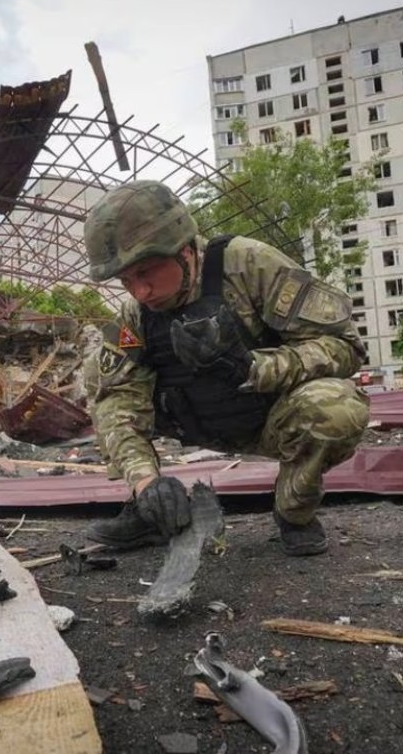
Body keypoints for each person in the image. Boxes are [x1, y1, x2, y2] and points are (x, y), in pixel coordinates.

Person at [82, 180, 370, 557]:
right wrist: (145, 481)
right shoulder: (134, 317)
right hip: (189, 420)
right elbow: (116, 400)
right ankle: (149, 511)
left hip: (268, 417)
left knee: (337, 407)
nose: (140, 293)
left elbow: (346, 347)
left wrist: (255, 368)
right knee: (102, 380)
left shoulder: (249, 266)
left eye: (148, 272)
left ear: (184, 250)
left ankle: (293, 513)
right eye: (126, 280)